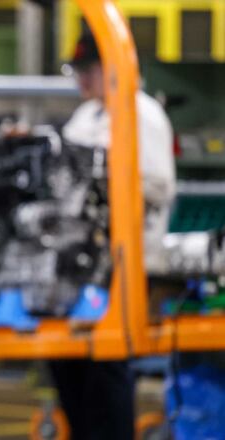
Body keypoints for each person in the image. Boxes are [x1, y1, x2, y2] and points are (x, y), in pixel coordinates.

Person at [49, 31, 176, 440]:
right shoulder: (87, 117)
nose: (81, 81)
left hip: (126, 263)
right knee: (65, 359)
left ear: (117, 67)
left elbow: (158, 187)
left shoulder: (142, 113)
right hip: (80, 267)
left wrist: (105, 178)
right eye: (77, 71)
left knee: (107, 365)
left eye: (89, 70)